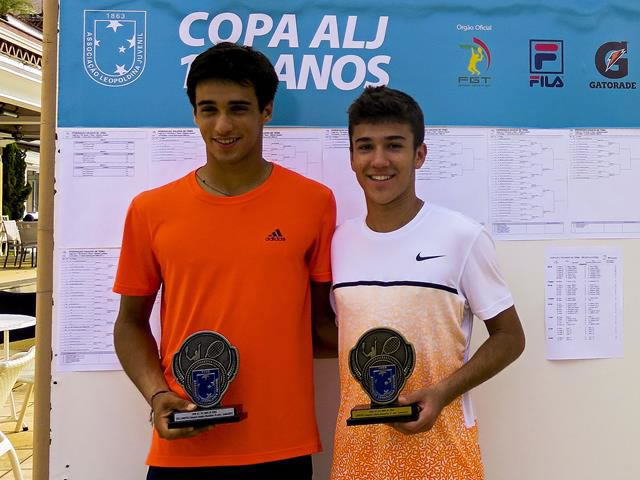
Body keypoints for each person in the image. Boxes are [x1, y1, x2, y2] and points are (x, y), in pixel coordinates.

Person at [112, 42, 337, 479]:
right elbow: (130, 324)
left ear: (266, 110)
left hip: (281, 446)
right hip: (185, 444)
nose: (222, 125)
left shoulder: (314, 203)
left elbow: (320, 325)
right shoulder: (150, 210)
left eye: (238, 108)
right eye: (208, 109)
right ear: (194, 113)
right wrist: (158, 395)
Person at [330, 86, 525, 480]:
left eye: (394, 145)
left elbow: (510, 338)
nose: (379, 160)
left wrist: (442, 393)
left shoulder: (462, 236)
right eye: (365, 147)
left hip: (444, 454)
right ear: (351, 157)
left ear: (419, 154)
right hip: (356, 457)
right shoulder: (339, 241)